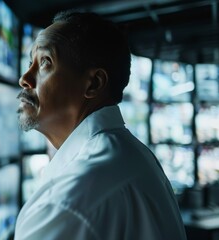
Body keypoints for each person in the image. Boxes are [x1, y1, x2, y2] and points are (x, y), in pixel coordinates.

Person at [15, 11, 186, 240]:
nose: (25, 78)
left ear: (93, 84)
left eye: (45, 62)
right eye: (30, 62)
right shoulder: (128, 154)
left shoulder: (69, 201)